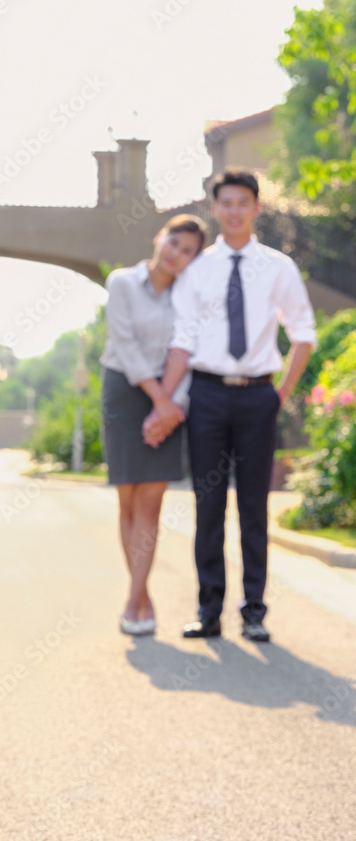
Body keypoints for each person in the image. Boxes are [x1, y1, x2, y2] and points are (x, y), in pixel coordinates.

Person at [145, 168, 316, 642]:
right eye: (227, 203)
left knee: (254, 507)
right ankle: (209, 610)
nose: (235, 210)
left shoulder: (279, 268)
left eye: (244, 202)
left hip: (259, 394)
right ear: (215, 208)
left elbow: (303, 335)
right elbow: (183, 339)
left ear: (257, 208)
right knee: (209, 503)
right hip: (208, 395)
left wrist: (278, 394)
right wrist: (165, 402)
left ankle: (255, 611)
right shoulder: (198, 270)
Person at [101, 214, 206, 636]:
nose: (177, 254)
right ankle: (142, 595)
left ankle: (133, 600)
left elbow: (192, 352)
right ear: (160, 238)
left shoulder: (190, 296)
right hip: (126, 393)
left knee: (151, 503)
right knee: (127, 500)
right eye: (174, 243)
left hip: (172, 397)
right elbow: (124, 344)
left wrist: (170, 406)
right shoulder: (122, 282)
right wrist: (158, 401)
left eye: (188, 251)